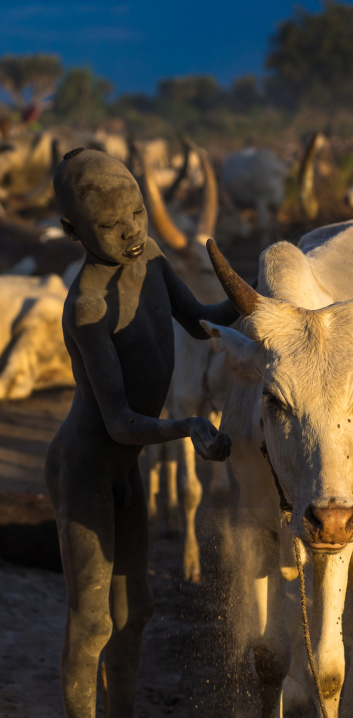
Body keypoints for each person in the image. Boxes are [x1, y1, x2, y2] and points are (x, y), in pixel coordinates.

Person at [45, 148, 236, 718]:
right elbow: (120, 423)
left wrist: (257, 290)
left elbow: (202, 323)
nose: (130, 232)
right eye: (109, 225)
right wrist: (189, 426)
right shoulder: (86, 308)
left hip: (123, 469)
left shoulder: (151, 258)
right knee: (92, 620)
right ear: (71, 231)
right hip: (86, 469)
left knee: (135, 612)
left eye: (137, 215)